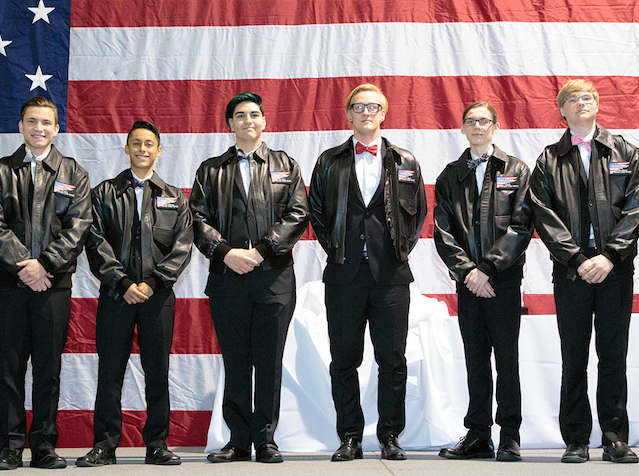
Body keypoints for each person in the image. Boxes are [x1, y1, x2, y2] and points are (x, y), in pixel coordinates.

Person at [528, 79, 639, 464]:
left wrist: (610, 256)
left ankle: (614, 437)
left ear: (597, 105)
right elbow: (544, 216)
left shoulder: (625, 151)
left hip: (615, 270)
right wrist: (579, 260)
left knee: (613, 355)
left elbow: (637, 206)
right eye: (572, 100)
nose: (581, 103)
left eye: (587, 98)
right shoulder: (548, 159)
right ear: (561, 111)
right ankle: (575, 439)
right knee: (573, 356)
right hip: (571, 273)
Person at [308, 83, 427, 461]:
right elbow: (316, 214)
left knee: (392, 361)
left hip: (391, 277)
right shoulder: (329, 161)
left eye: (373, 106)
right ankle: (350, 437)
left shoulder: (405, 160)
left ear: (383, 113)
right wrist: (339, 251)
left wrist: (399, 251)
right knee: (344, 361)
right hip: (344, 277)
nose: (366, 112)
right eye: (358, 106)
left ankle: (390, 435)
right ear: (348, 114)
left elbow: (419, 213)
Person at [190, 92, 309, 464]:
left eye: (254, 114)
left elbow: (298, 213)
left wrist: (260, 252)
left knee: (269, 361)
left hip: (273, 279)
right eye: (240, 115)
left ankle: (266, 439)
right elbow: (196, 219)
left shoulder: (285, 165)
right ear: (229, 124)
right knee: (236, 361)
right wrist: (226, 252)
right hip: (228, 280)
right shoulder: (211, 169)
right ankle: (238, 441)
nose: (248, 120)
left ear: (264, 121)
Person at [0, 96, 92, 470]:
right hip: (9, 287)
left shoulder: (74, 173)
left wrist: (43, 265)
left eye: (46, 122)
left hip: (53, 287)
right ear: (21, 125)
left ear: (56, 128)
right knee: (9, 369)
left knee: (48, 368)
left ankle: (44, 444)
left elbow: (77, 229)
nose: (38, 128)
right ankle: (10, 446)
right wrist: (24, 267)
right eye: (32, 121)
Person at [78, 121, 192, 467]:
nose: (143, 149)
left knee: (157, 371)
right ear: (126, 149)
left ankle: (157, 443)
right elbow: (95, 242)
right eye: (136, 144)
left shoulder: (174, 197)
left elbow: (182, 246)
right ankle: (105, 444)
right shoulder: (104, 193)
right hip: (117, 297)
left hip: (157, 299)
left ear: (159, 151)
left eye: (149, 144)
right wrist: (124, 284)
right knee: (110, 372)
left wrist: (152, 283)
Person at [433, 101, 532, 462]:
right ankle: (478, 434)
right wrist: (468, 272)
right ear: (462, 128)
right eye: (471, 121)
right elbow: (443, 231)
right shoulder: (450, 174)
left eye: (484, 121)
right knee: (475, 359)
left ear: (495, 126)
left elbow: (522, 225)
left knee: (507, 360)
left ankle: (509, 436)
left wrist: (488, 268)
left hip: (502, 280)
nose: (477, 126)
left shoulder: (516, 169)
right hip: (468, 282)